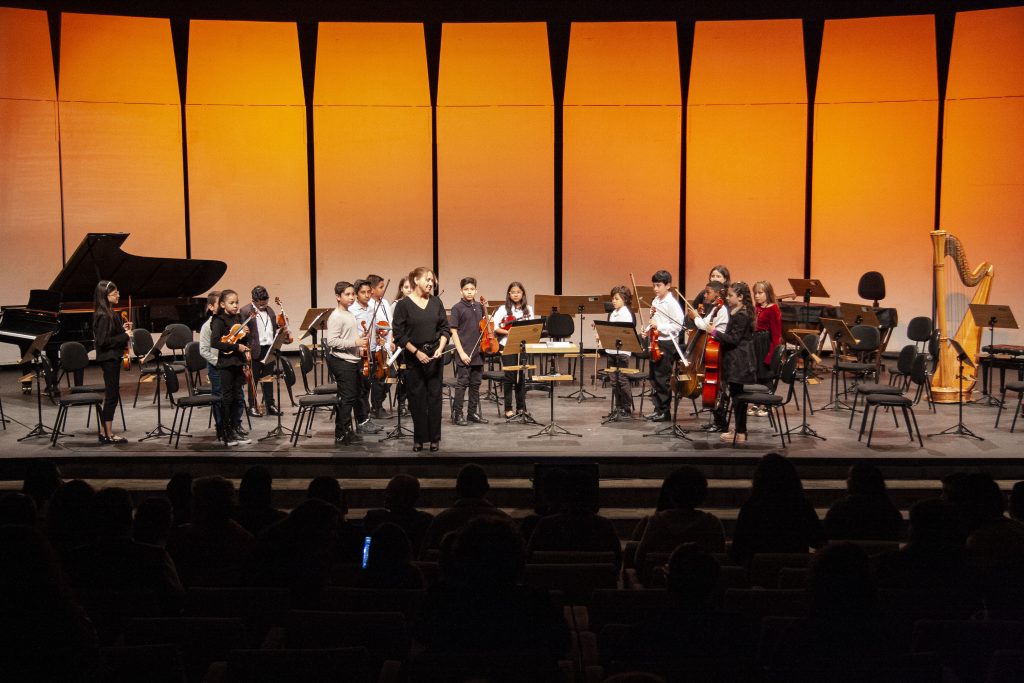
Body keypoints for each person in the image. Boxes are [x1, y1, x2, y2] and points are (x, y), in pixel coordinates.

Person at [730, 453, 824, 565]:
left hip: (759, 573)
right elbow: (819, 541)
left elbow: (738, 550)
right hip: (794, 572)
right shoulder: (801, 506)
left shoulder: (751, 507)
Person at [393, 267, 450, 451]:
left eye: (432, 280)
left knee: (434, 398)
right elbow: (399, 335)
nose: (431, 283)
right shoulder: (403, 305)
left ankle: (434, 438)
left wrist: (440, 348)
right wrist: (417, 352)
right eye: (427, 279)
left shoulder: (436, 302)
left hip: (434, 356)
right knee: (417, 398)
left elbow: (445, 329)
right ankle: (419, 438)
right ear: (416, 280)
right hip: (414, 357)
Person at [634, 466, 726, 581]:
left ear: (669, 493)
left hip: (661, 587)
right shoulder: (712, 523)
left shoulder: (656, 522)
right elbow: (720, 559)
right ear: (703, 494)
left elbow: (639, 559)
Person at [707, 281, 758, 442]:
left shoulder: (742, 314)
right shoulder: (737, 311)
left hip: (739, 362)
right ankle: (738, 430)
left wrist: (714, 332)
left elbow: (734, 339)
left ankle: (741, 432)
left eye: (731, 295)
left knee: (738, 398)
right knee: (736, 397)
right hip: (735, 360)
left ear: (741, 297)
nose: (727, 298)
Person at [425, 463, 511, 550]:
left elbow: (427, 555)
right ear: (487, 488)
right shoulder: (504, 521)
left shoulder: (441, 521)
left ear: (457, 489)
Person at [199, 291, 246, 440]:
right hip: (218, 366)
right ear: (212, 306)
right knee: (221, 398)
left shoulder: (231, 321)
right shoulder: (209, 326)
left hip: (231, 363)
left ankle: (235, 425)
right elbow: (204, 350)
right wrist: (219, 362)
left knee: (238, 397)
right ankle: (222, 429)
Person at [325, 280, 367, 445]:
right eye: (347, 294)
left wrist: (360, 340)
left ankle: (347, 430)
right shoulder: (336, 317)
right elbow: (332, 342)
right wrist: (355, 343)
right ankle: (341, 433)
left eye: (352, 294)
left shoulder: (349, 313)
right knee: (347, 398)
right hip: (342, 362)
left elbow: (348, 337)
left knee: (354, 396)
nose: (351, 297)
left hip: (352, 360)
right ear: (338, 296)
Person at [209, 289, 252, 447]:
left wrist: (246, 335)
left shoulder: (239, 317)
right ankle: (226, 433)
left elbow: (242, 339)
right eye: (231, 303)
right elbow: (215, 343)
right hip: (226, 364)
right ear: (222, 304)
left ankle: (235, 429)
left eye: (237, 302)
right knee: (226, 399)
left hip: (238, 363)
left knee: (237, 398)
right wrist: (236, 347)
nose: (235, 305)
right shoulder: (218, 320)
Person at [91, 280, 132, 443]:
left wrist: (123, 329)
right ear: (105, 296)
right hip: (108, 359)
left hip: (111, 358)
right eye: (115, 293)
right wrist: (125, 336)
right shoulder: (103, 315)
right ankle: (107, 434)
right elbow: (103, 341)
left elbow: (110, 335)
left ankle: (105, 431)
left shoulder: (109, 313)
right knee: (112, 395)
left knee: (112, 394)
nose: (118, 295)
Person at [492, 281, 537, 420]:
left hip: (522, 346)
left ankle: (521, 407)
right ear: (509, 294)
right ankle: (508, 408)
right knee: (509, 377)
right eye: (513, 292)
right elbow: (495, 327)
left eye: (518, 292)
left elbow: (532, 326)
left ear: (522, 293)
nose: (516, 294)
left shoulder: (528, 309)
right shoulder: (503, 309)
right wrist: (510, 333)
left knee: (521, 377)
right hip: (507, 345)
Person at [823, 462, 902, 541]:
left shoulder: (839, 509)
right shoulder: (888, 510)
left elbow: (826, 535)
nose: (847, 481)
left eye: (850, 477)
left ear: (855, 482)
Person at [644, 270, 684, 422]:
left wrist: (658, 326)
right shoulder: (655, 301)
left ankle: (665, 411)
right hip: (655, 341)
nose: (655, 288)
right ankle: (657, 408)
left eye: (658, 285)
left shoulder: (672, 304)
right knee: (654, 377)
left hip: (667, 343)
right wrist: (647, 330)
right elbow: (654, 321)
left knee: (662, 378)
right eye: (654, 285)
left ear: (668, 285)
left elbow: (678, 326)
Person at [449, 276, 489, 426]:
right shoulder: (457, 308)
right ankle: (457, 414)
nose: (469, 292)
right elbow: (453, 332)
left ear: (476, 290)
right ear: (461, 291)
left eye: (472, 289)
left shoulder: (479, 306)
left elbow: (485, 327)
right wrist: (461, 353)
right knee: (462, 385)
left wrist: (487, 313)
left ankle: (472, 413)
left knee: (475, 384)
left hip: (478, 352)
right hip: (464, 352)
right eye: (466, 289)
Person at [364, 474, 436, 556]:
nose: (385, 494)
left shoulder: (375, 519)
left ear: (402, 496)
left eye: (389, 492)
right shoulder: (426, 521)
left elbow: (366, 552)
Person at [240, 285, 281, 417]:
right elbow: (241, 333)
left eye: (265, 301)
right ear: (254, 300)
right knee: (254, 380)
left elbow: (272, 328)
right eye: (260, 302)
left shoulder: (270, 310)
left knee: (268, 379)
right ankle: (252, 406)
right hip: (254, 350)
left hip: (269, 349)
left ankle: (270, 405)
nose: (263, 304)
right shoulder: (246, 311)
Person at [349, 279, 383, 434]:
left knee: (367, 386)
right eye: (363, 292)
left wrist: (379, 334)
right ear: (356, 294)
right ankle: (362, 420)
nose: (367, 295)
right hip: (359, 354)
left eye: (369, 292)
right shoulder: (352, 311)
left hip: (372, 351)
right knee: (361, 389)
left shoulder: (372, 308)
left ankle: (366, 418)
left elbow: (374, 328)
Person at [601, 285, 637, 417]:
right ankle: (618, 406)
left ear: (625, 299)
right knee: (613, 380)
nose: (613, 301)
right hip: (611, 350)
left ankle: (626, 407)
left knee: (622, 379)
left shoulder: (627, 313)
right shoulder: (613, 313)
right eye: (612, 299)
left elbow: (626, 332)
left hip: (622, 352)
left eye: (616, 299)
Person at [750, 280, 783, 417]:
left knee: (766, 375)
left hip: (766, 343)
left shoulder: (773, 309)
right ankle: (757, 402)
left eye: (760, 293)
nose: (757, 296)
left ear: (767, 293)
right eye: (755, 293)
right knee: (757, 375)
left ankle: (767, 404)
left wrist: (772, 355)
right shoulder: (757, 308)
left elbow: (776, 335)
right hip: (756, 343)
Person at [367, 273, 393, 419]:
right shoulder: (370, 305)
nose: (383, 290)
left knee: (390, 377)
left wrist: (392, 339)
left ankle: (378, 402)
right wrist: (378, 338)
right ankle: (377, 407)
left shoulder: (384, 303)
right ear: (372, 289)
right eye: (380, 287)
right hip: (377, 348)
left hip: (388, 346)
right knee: (379, 378)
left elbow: (390, 323)